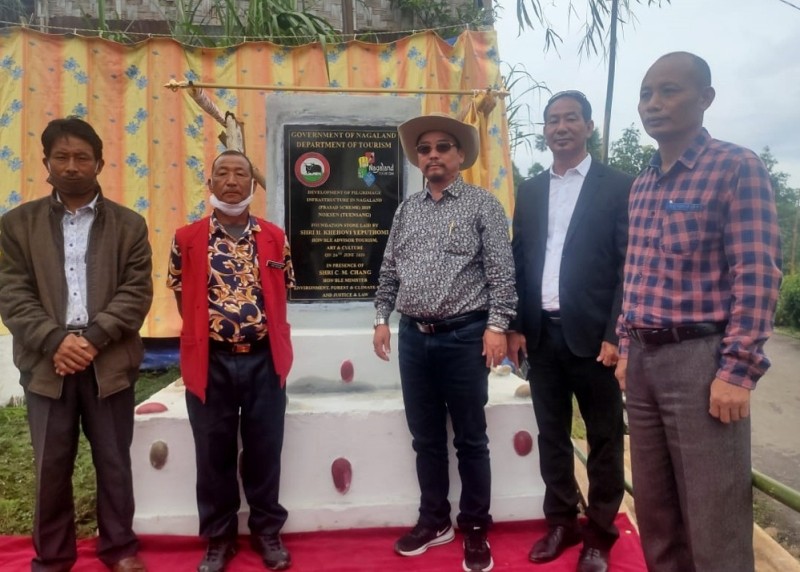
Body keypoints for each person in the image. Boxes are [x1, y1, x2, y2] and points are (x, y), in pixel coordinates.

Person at [615, 52, 782, 572]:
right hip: (641, 364)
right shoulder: (641, 184)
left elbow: (756, 275)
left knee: (715, 522)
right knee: (657, 514)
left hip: (701, 362)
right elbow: (634, 274)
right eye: (646, 94)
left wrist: (737, 370)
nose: (654, 104)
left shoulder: (736, 167)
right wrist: (624, 348)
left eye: (669, 90)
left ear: (706, 98)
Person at [0, 117, 152, 572]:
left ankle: (120, 548)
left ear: (100, 164)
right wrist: (54, 340)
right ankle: (53, 557)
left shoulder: (129, 225)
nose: (71, 166)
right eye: (61, 157)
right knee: (51, 464)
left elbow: (136, 291)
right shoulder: (16, 225)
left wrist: (91, 339)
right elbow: (12, 292)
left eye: (81, 157)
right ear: (45, 163)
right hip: (48, 365)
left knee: (113, 461)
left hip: (109, 361)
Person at [373, 112, 517, 572]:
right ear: (418, 159)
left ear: (459, 156)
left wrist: (496, 326)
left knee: (471, 440)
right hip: (415, 339)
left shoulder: (482, 205)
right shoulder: (406, 210)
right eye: (424, 149)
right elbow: (390, 269)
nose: (432, 155)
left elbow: (501, 274)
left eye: (442, 147)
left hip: (464, 337)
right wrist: (381, 318)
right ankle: (434, 520)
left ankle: (475, 527)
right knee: (426, 439)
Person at [507, 91, 631, 572]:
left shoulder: (618, 186)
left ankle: (599, 535)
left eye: (571, 119)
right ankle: (560, 521)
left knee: (603, 439)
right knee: (552, 435)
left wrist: (616, 332)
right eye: (552, 120)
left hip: (595, 339)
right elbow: (520, 260)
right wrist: (517, 325)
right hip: (542, 335)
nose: (561, 127)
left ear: (589, 126)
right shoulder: (532, 190)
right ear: (544, 130)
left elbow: (626, 265)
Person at [167, 150, 295, 572]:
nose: (232, 181)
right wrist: (212, 335)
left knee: (264, 450)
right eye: (222, 173)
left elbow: (282, 292)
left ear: (253, 185)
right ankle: (219, 539)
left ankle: (267, 532)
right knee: (213, 453)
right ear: (210, 184)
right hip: (211, 363)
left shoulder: (275, 236)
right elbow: (181, 294)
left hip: (263, 361)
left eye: (241, 173)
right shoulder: (187, 238)